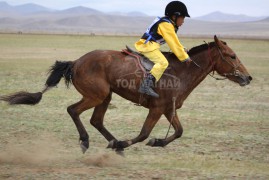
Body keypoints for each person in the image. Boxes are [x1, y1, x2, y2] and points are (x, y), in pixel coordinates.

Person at [134, 1, 192, 98]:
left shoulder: (167, 23)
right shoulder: (166, 24)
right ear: (174, 16)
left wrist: (182, 49)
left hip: (151, 45)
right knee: (163, 63)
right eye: (182, 18)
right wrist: (185, 57)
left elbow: (175, 41)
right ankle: (146, 85)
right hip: (148, 46)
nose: (183, 21)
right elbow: (173, 43)